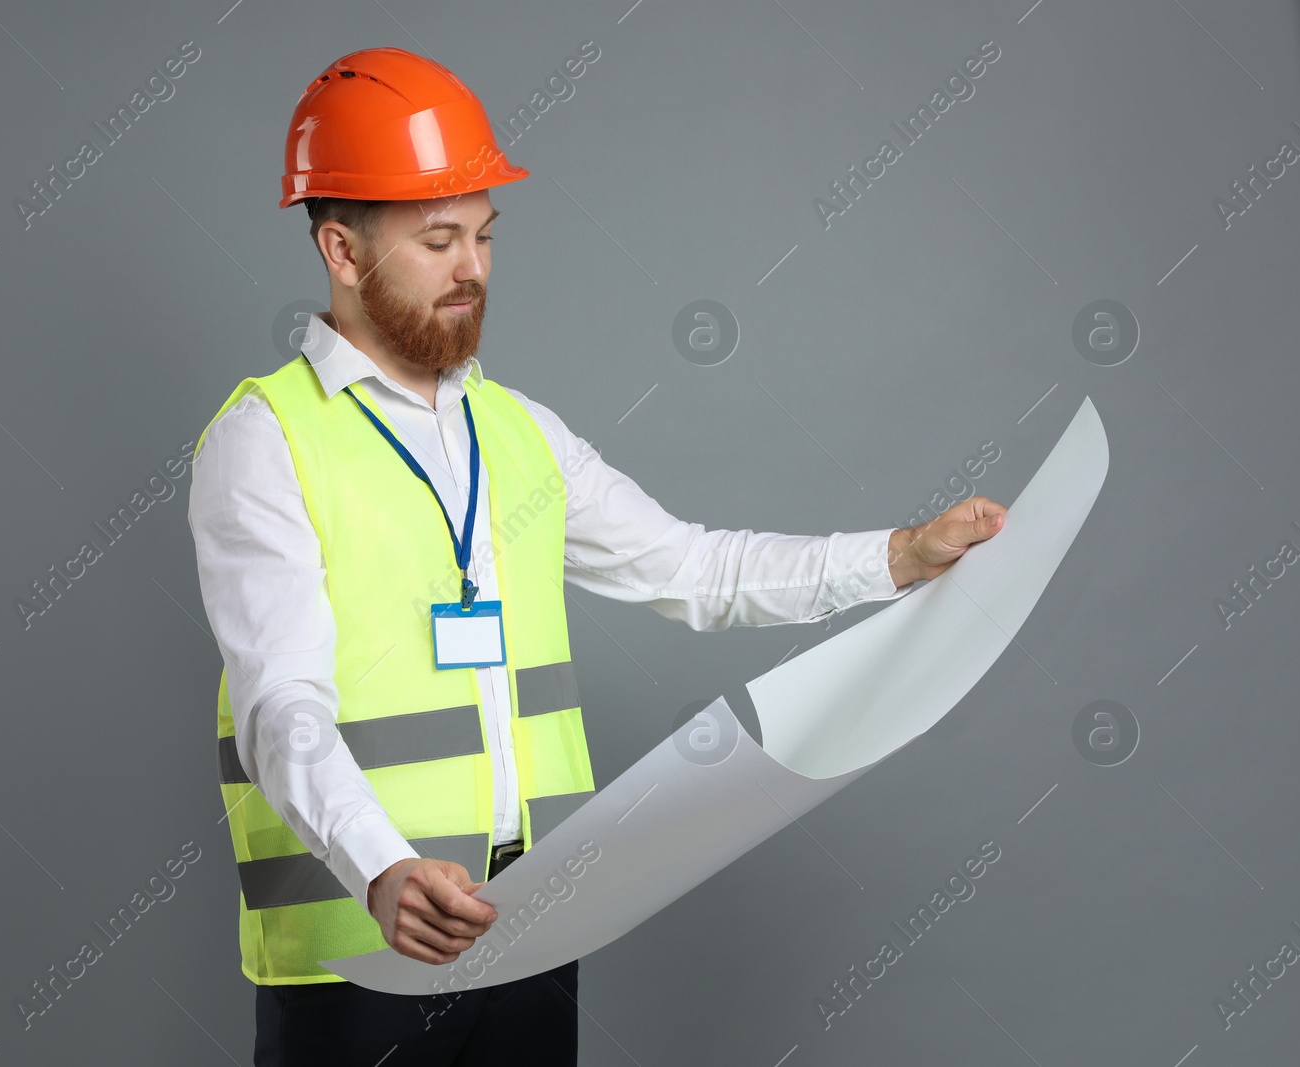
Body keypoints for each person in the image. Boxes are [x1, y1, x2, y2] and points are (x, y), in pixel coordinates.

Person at [186, 45, 1008, 1067]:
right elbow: (281, 708)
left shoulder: (519, 433)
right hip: (360, 955)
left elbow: (690, 568)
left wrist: (897, 556)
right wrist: (381, 868)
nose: (473, 268)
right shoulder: (266, 438)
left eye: (484, 236)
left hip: (530, 927)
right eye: (438, 239)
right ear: (343, 251)